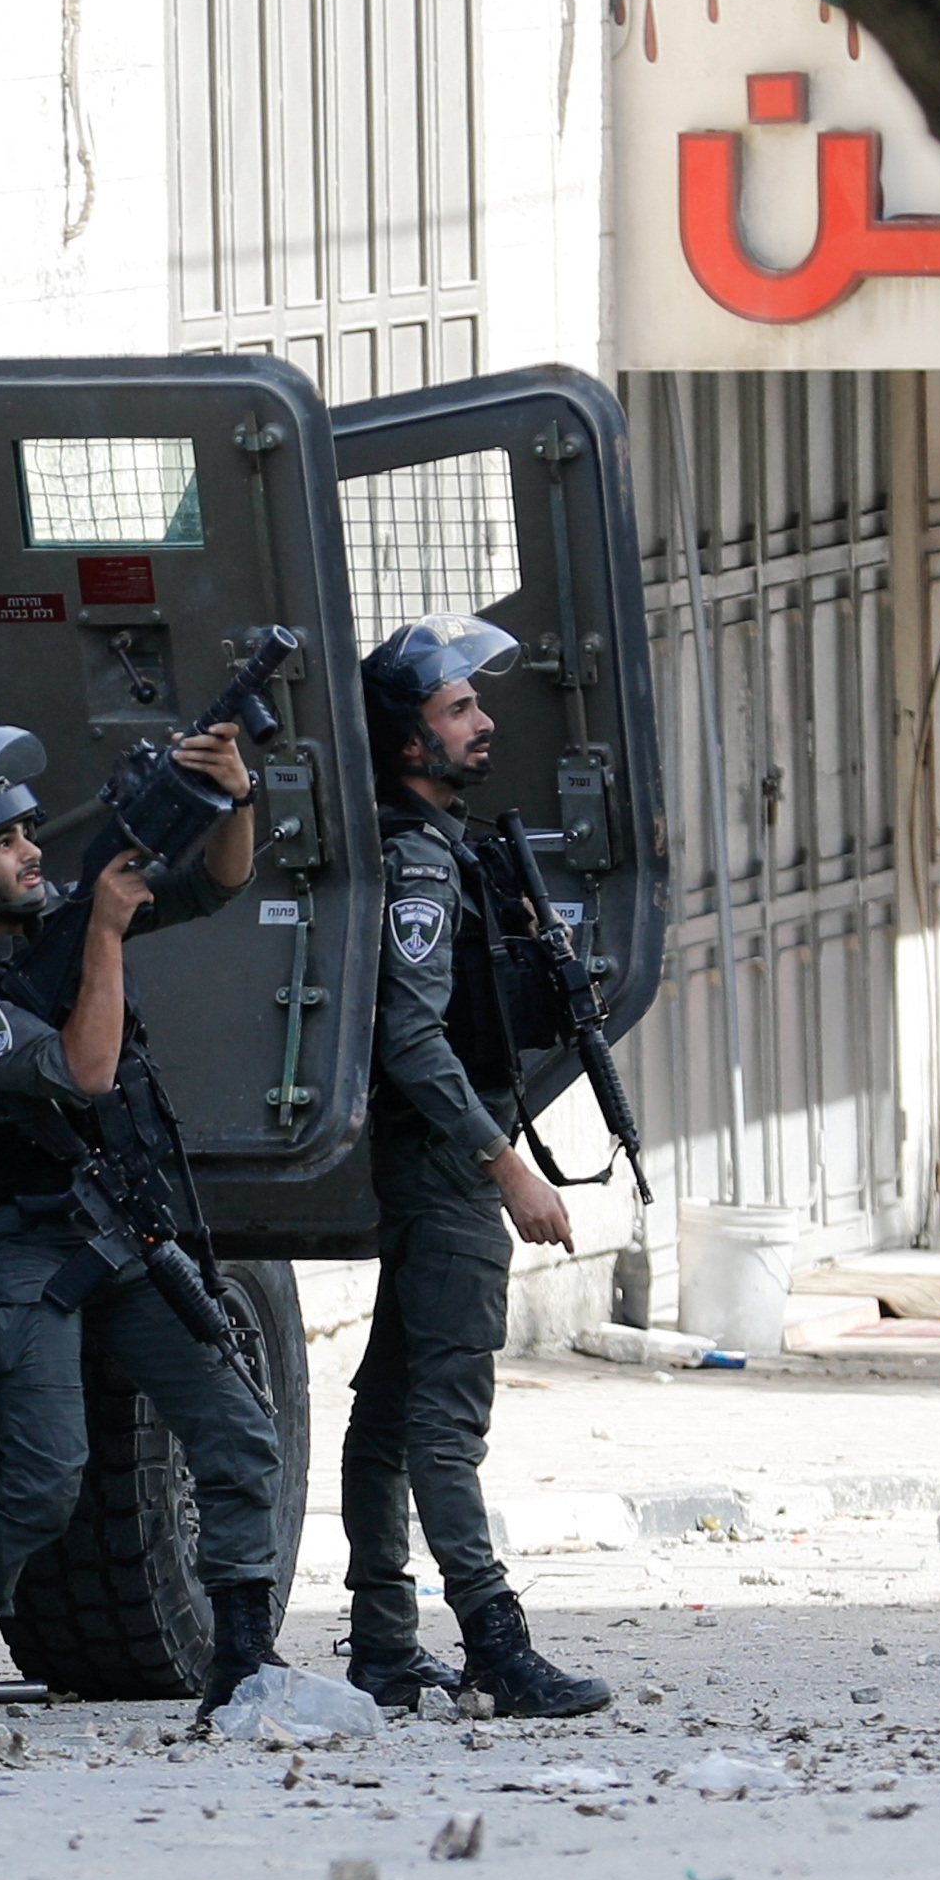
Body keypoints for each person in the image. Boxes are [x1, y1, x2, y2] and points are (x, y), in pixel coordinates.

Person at [0, 719, 287, 1726]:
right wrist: (103, 933)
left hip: (116, 1228)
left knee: (239, 1436)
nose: (29, 853)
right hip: (25, 1246)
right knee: (45, 1476)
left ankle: (241, 1665)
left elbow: (217, 884)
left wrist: (233, 796)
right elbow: (81, 1071)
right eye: (3, 842)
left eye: (29, 833)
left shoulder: (60, 927)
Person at [337, 613, 612, 1719]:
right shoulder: (413, 860)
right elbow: (407, 1035)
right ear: (407, 743)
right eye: (456, 708)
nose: (482, 719)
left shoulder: (444, 842)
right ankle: (494, 1644)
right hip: (445, 1168)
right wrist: (504, 1164)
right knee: (445, 1415)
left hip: (440, 1162)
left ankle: (382, 1644)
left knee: (390, 1406)